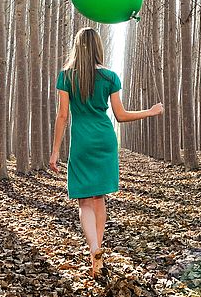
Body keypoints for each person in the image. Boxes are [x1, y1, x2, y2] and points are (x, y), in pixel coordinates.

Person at [49, 27, 164, 279]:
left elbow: (62, 115)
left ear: (77, 48)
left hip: (82, 142)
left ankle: (94, 248)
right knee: (100, 199)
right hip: (105, 139)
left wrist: (55, 151)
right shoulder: (110, 77)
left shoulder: (66, 76)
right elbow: (121, 116)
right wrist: (150, 111)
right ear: (99, 48)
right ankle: (97, 254)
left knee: (84, 200)